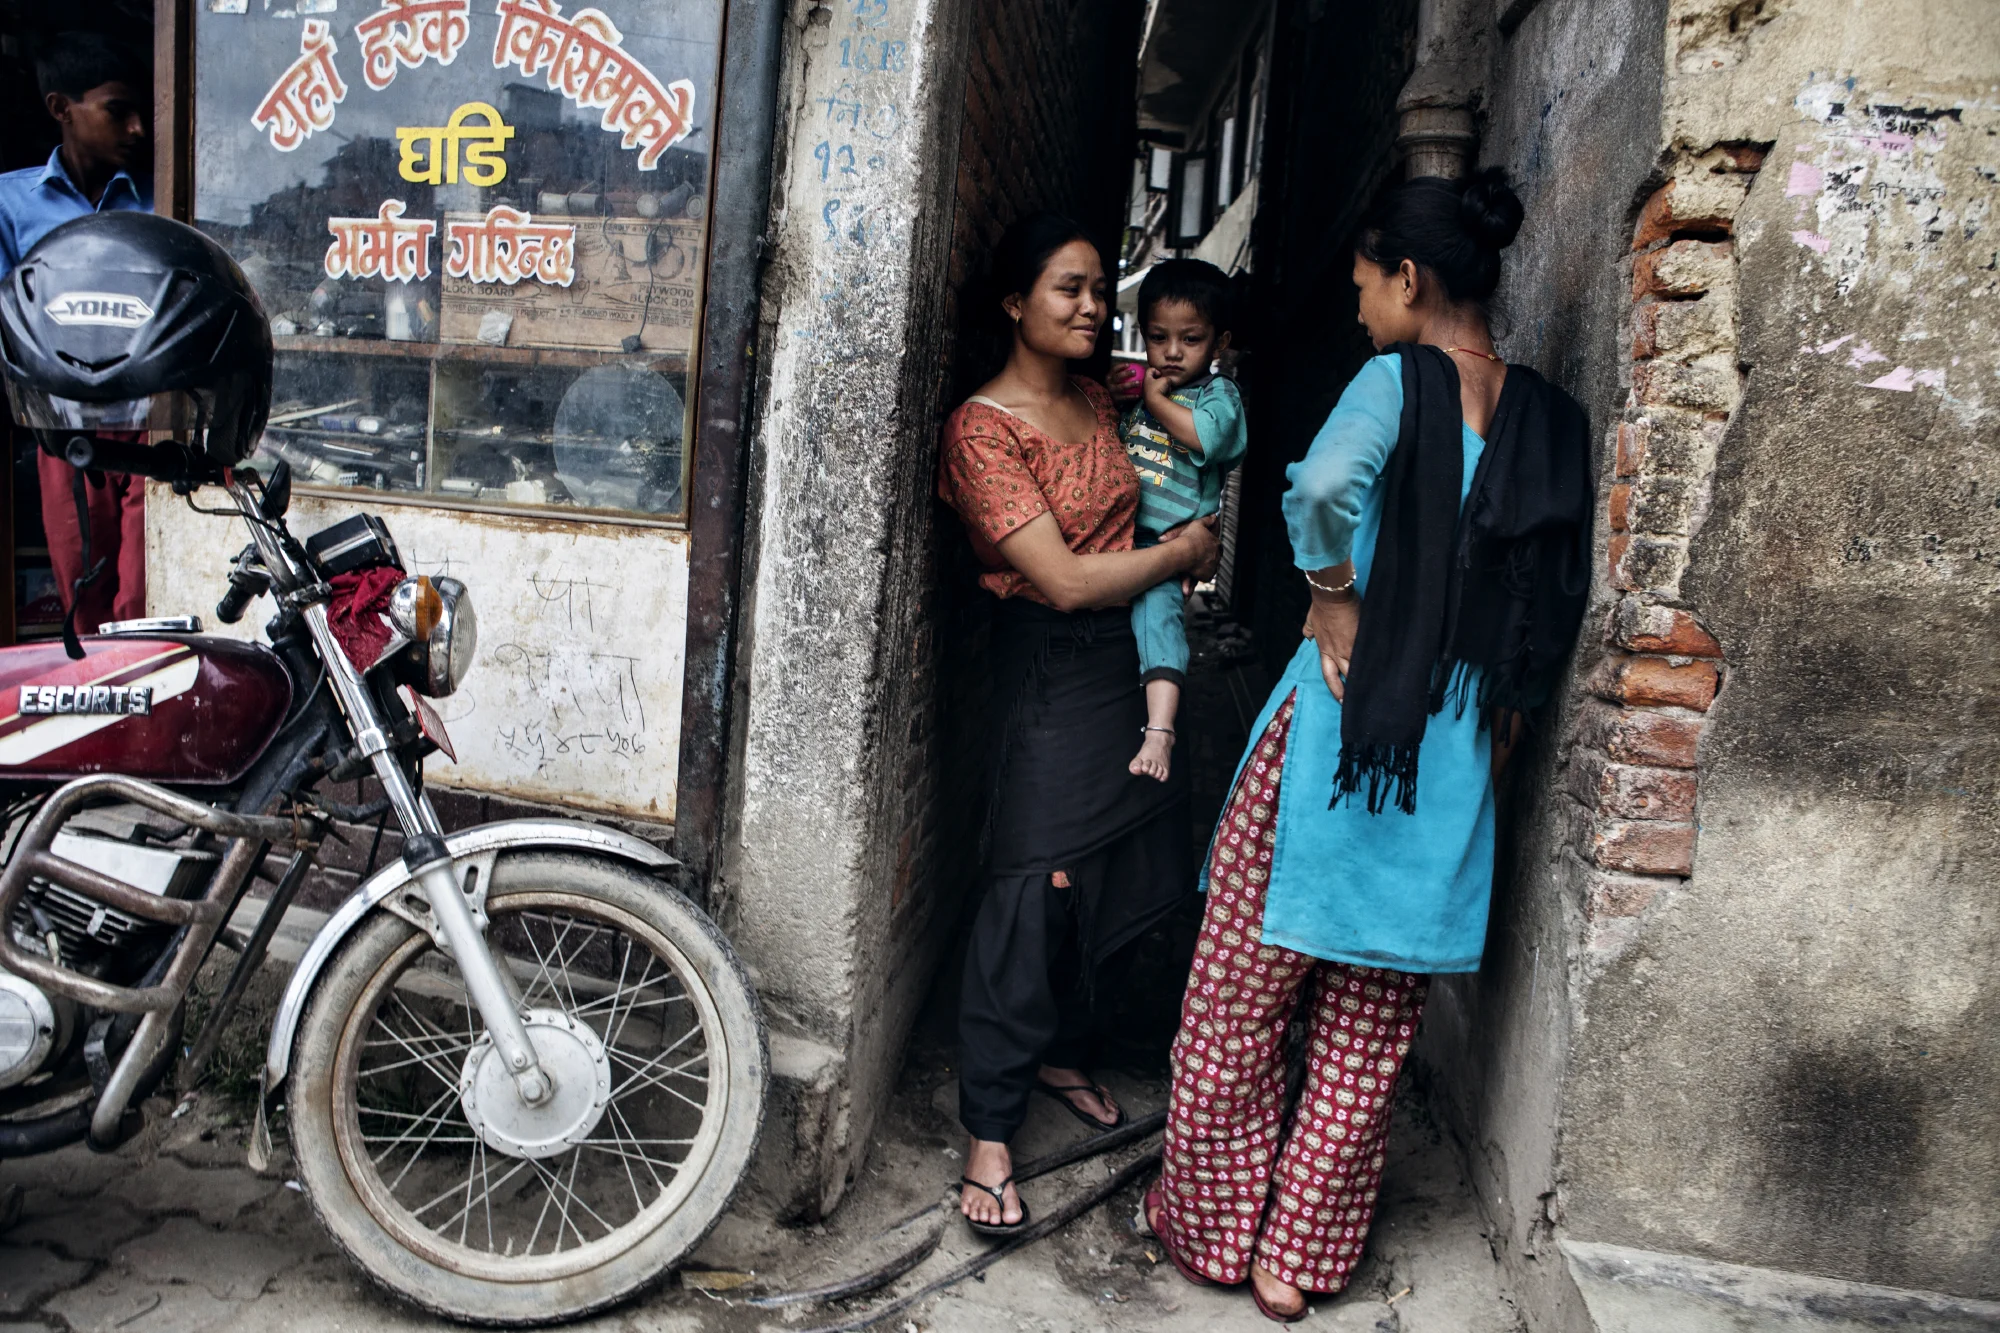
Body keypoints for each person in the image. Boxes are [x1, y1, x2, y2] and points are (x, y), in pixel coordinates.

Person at [1144, 168, 1592, 1322]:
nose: (1354, 310)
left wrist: (1332, 594)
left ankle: (1208, 1225)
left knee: (1241, 993)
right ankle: (1296, 1260)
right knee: (1367, 1020)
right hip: (1452, 747)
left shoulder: (1398, 381)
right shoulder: (1546, 414)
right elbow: (1544, 591)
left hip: (1346, 724)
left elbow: (1323, 485)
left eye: (1362, 286)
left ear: (1408, 278)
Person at [937, 213, 1221, 1236]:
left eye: (1102, 290)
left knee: (1129, 866)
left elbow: (1204, 424)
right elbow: (1056, 580)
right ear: (1015, 302)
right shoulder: (982, 430)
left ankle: (1059, 1046)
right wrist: (1182, 556)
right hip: (1049, 668)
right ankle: (989, 1131)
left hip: (1128, 665)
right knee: (1033, 884)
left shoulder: (1108, 399)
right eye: (1069, 289)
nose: (1094, 308)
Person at [0, 32, 154, 632]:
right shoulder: (11, 205)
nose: (137, 128)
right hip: (62, 428)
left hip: (149, 424)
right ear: (62, 109)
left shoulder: (157, 198)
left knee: (142, 598)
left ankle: (148, 719)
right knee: (81, 596)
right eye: (118, 111)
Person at [1121, 259, 1247, 781]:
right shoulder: (1143, 387)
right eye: (1158, 337)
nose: (1172, 352)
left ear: (1218, 344)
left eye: (1191, 339)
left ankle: (1160, 731)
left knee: (1159, 623)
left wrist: (1154, 399)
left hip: (1167, 544)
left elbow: (1211, 438)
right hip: (1124, 538)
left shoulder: (1219, 396)